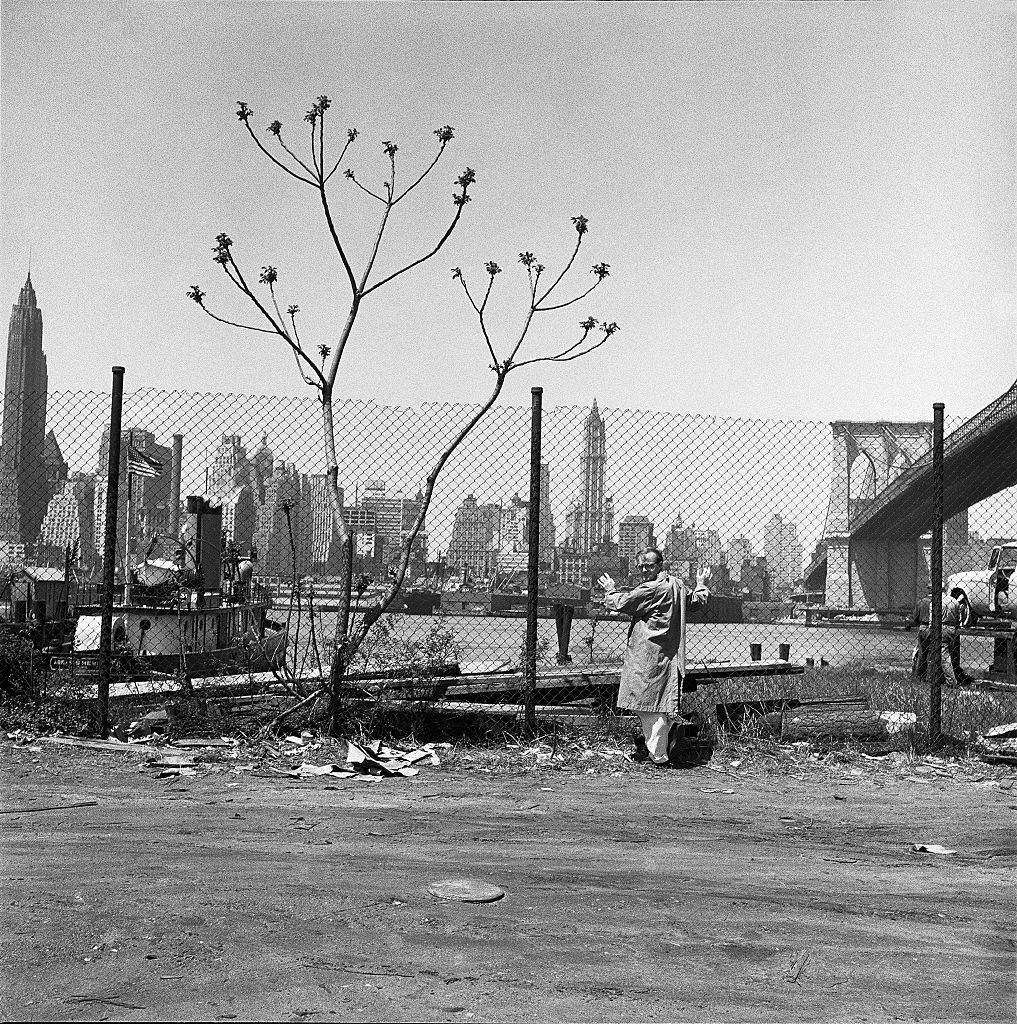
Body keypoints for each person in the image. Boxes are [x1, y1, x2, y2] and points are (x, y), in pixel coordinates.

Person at [598, 548, 709, 766]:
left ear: (660, 565)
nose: (644, 570)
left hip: (648, 654)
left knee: (648, 705)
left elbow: (622, 603)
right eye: (640, 566)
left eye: (648, 565)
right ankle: (667, 735)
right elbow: (695, 602)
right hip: (667, 654)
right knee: (655, 701)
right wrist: (701, 584)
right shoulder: (677, 585)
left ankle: (659, 756)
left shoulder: (650, 589)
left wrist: (610, 590)